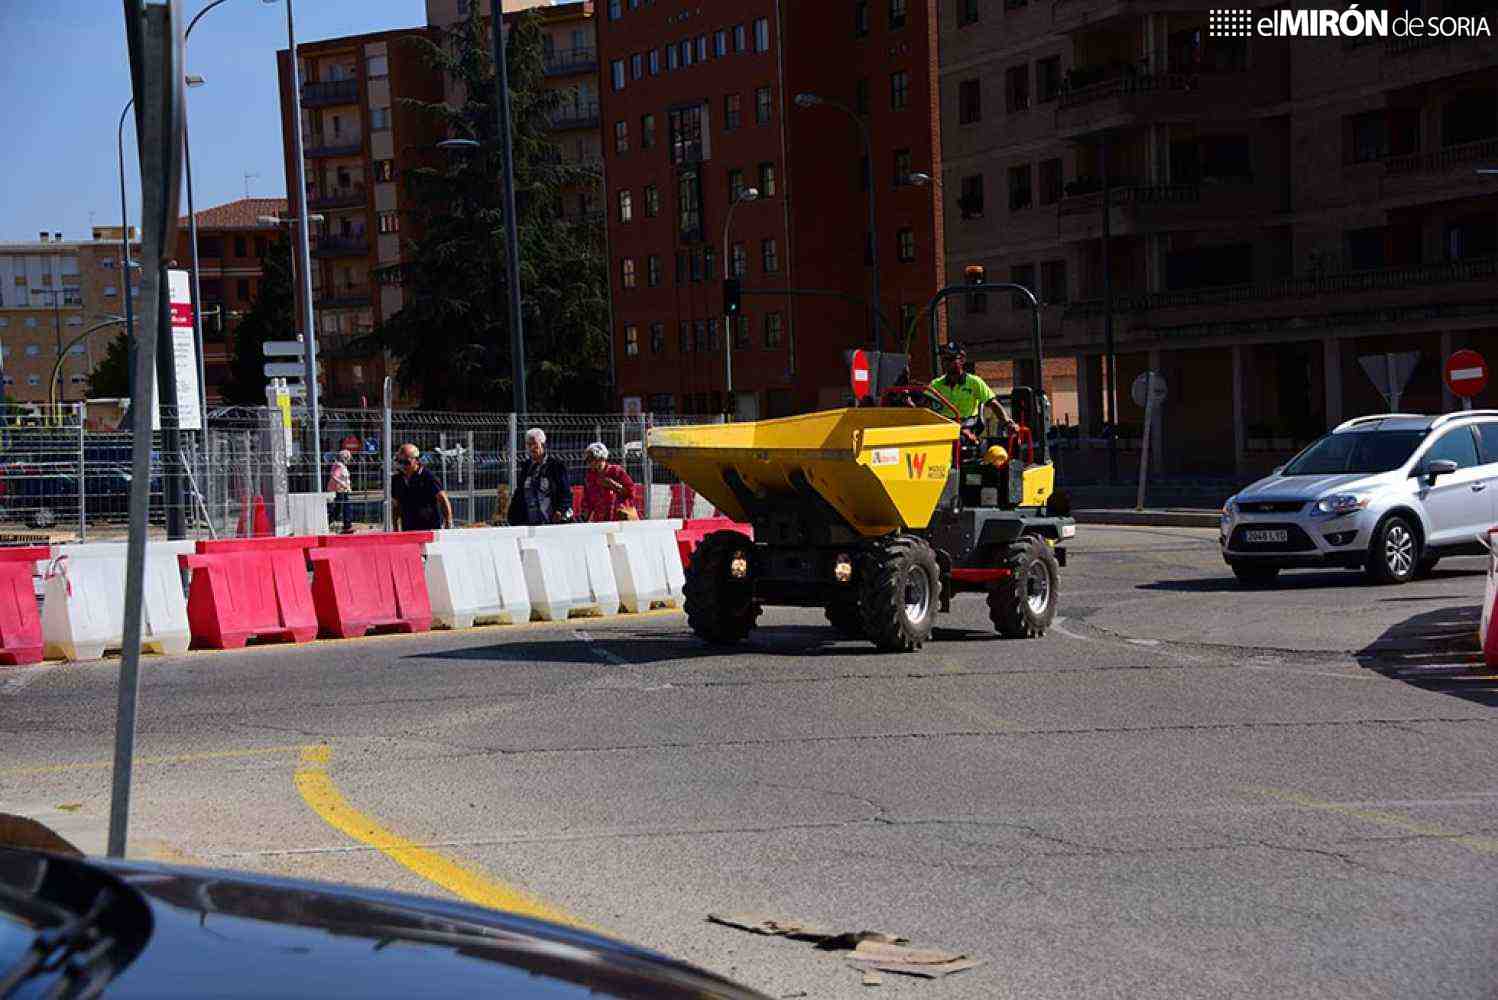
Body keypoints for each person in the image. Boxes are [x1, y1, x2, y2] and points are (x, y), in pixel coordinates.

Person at [934, 342, 1018, 435]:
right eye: (944, 359)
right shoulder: (936, 384)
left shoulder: (974, 382)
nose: (946, 363)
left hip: (967, 427)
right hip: (943, 429)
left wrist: (1008, 423)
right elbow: (923, 405)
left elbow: (993, 404)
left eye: (950, 359)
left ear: (962, 359)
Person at [509, 428, 573, 526]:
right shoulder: (526, 467)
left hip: (550, 522)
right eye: (528, 444)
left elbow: (565, 493)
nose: (531, 448)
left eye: (534, 444)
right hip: (529, 521)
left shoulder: (556, 466)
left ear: (542, 444)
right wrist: (512, 515)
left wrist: (560, 511)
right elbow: (519, 493)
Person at [391, 444, 453, 532]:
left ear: (416, 460)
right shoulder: (397, 479)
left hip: (429, 528)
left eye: (406, 462)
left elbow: (443, 500)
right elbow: (396, 505)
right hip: (408, 528)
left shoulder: (428, 477)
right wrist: (395, 527)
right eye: (400, 462)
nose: (403, 466)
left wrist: (448, 523)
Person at [579, 442, 638, 522]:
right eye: (588, 460)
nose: (589, 463)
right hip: (600, 520)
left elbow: (631, 492)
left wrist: (614, 485)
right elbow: (587, 502)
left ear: (601, 458)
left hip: (619, 517)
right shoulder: (589, 478)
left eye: (591, 459)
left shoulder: (616, 471)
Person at [326, 448, 355, 534]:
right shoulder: (338, 465)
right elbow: (334, 476)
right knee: (340, 508)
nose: (350, 459)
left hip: (343, 490)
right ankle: (344, 525)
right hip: (339, 490)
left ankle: (347, 525)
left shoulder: (342, 465)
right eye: (349, 457)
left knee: (343, 508)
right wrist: (343, 484)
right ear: (344, 457)